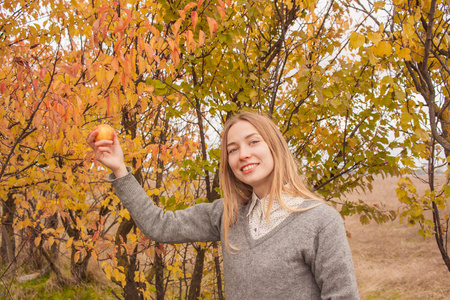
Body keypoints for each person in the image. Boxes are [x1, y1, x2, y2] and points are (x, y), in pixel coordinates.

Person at [87, 112, 359, 299]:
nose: (244, 154)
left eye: (253, 141)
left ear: (275, 147)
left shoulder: (320, 221)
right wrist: (120, 169)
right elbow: (160, 225)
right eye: (232, 149)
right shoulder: (227, 214)